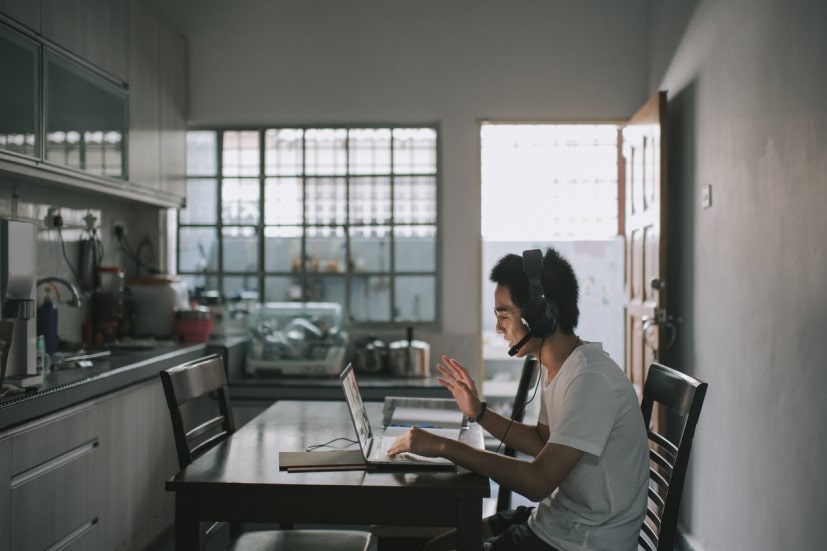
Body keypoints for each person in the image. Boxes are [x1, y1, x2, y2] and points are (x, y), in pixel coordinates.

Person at [388, 248, 649, 551]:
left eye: (504, 314)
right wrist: (480, 412)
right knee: (440, 544)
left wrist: (444, 446)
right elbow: (542, 441)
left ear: (540, 316)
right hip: (560, 520)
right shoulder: (564, 366)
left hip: (582, 542)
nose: (499, 328)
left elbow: (537, 483)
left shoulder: (591, 380)